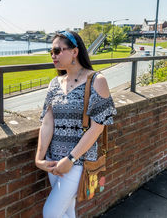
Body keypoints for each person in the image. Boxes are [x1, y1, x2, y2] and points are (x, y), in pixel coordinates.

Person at [35, 31, 117, 218]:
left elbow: (98, 126)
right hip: (53, 160)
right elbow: (47, 123)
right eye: (51, 52)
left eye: (57, 50)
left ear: (74, 52)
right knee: (67, 210)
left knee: (51, 212)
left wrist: (70, 159)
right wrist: (39, 158)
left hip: (78, 161)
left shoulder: (97, 81)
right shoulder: (54, 84)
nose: (53, 56)